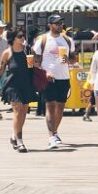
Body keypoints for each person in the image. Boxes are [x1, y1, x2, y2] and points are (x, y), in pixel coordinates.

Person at [31, 15, 74, 149]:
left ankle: (55, 132)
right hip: (49, 79)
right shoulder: (42, 40)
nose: (60, 25)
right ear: (50, 25)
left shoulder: (67, 40)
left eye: (61, 23)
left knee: (60, 107)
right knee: (50, 106)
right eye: (57, 23)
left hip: (64, 77)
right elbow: (35, 60)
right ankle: (51, 136)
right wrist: (44, 72)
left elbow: (73, 58)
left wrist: (68, 60)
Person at [0, 29, 35, 152]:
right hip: (12, 86)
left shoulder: (28, 51)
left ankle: (14, 135)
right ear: (13, 39)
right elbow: (1, 69)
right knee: (18, 111)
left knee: (23, 112)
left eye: (23, 36)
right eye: (20, 36)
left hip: (25, 85)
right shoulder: (7, 53)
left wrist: (35, 60)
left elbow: (31, 69)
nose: (22, 38)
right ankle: (20, 141)